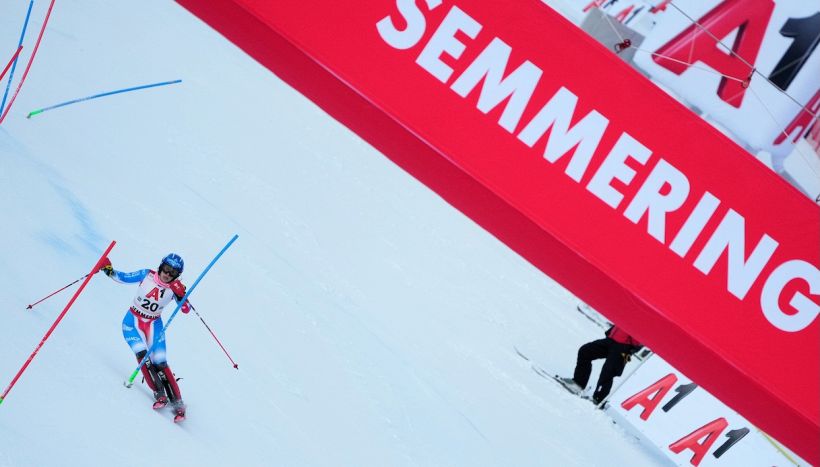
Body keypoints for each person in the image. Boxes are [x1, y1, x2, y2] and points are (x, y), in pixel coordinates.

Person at [99, 253, 191, 421]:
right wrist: (108, 270)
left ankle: (178, 404)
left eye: (173, 272)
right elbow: (123, 277)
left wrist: (181, 296)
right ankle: (160, 394)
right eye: (166, 268)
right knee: (143, 356)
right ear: (161, 266)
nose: (167, 274)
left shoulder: (175, 288)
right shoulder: (146, 275)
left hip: (154, 325)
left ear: (177, 275)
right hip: (132, 323)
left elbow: (186, 309)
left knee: (160, 362)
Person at [559, 325, 643, 405]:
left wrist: (633, 348)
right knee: (585, 351)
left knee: (609, 371)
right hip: (611, 339)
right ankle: (578, 383)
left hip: (625, 347)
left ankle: (598, 399)